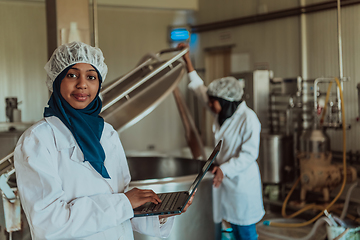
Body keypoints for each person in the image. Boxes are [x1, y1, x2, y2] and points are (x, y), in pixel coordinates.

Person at [14, 41, 193, 240]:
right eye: (72, 75)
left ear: (99, 83)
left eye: (91, 77)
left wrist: (160, 215)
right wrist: (124, 202)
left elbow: (122, 204)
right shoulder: (38, 140)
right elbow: (49, 224)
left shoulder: (107, 134)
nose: (82, 84)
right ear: (57, 81)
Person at [178, 43, 265, 240]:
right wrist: (187, 61)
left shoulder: (248, 119)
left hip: (241, 183)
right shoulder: (222, 112)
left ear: (226, 100)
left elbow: (249, 154)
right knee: (225, 228)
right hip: (223, 182)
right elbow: (200, 91)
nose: (209, 104)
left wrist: (225, 169)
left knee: (244, 232)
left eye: (213, 101)